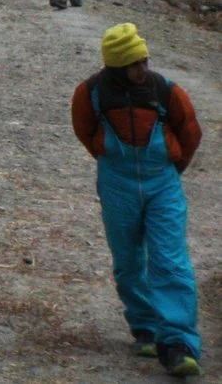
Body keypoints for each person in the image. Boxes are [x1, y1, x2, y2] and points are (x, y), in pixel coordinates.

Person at [73, 23, 203, 375]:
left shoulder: (166, 90)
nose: (143, 69)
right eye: (134, 64)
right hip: (117, 185)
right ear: (116, 67)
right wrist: (115, 167)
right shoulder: (90, 93)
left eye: (144, 60)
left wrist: (171, 171)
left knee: (170, 260)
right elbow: (85, 131)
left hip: (163, 184)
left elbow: (190, 132)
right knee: (128, 259)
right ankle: (145, 328)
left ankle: (178, 344)